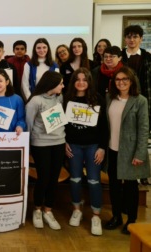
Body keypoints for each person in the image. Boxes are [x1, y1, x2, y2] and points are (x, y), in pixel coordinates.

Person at [104, 66, 150, 235]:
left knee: (131, 187)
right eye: (118, 79)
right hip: (112, 149)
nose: (121, 82)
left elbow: (144, 129)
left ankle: (131, 220)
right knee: (114, 186)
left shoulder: (140, 101)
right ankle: (117, 216)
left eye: (125, 79)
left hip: (130, 152)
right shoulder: (110, 98)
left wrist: (140, 154)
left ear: (131, 81)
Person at [64, 68, 108, 236]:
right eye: (78, 79)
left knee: (94, 180)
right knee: (74, 179)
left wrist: (102, 148)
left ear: (89, 81)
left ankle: (96, 215)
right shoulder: (67, 99)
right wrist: (64, 142)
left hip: (93, 146)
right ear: (73, 81)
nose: (81, 82)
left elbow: (104, 127)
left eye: (85, 79)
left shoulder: (98, 99)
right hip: (73, 145)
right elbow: (62, 124)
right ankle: (77, 209)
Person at [26, 71, 65, 230]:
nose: (63, 86)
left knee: (54, 177)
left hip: (59, 142)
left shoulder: (59, 98)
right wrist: (28, 145)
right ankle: (37, 209)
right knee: (43, 177)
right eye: (61, 83)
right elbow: (29, 123)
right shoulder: (35, 101)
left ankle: (48, 210)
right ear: (52, 84)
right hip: (40, 143)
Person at [121, 25, 151, 130]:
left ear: (141, 38)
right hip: (123, 100)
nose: (132, 40)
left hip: (144, 99)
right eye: (129, 37)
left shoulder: (148, 57)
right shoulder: (119, 57)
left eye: (135, 36)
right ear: (125, 39)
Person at [0, 69, 26, 133]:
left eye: (0, 81)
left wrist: (20, 126)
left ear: (7, 82)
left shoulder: (17, 99)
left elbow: (21, 119)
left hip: (11, 138)